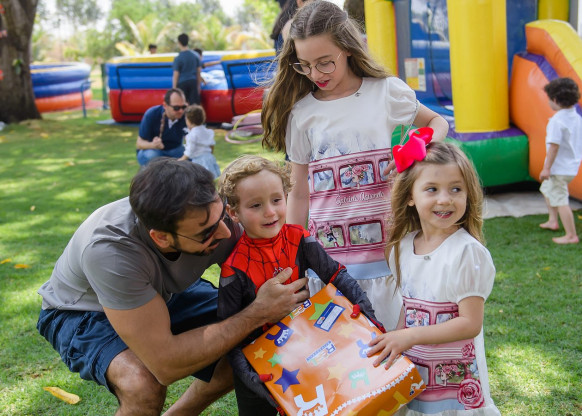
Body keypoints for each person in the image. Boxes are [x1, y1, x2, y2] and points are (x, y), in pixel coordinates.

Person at [36, 158, 309, 416]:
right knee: (142, 385)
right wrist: (256, 313)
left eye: (222, 217)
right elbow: (165, 365)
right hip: (81, 310)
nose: (226, 233)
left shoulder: (208, 215)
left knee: (254, 342)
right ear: (161, 238)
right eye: (207, 232)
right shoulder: (111, 252)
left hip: (163, 292)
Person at [261, 0, 449, 331]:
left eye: (325, 62)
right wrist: (291, 253)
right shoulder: (301, 112)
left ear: (347, 48)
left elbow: (438, 122)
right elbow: (299, 191)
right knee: (343, 355)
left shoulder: (385, 92)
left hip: (389, 259)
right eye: (305, 65)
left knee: (394, 348)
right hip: (329, 264)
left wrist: (414, 149)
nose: (315, 74)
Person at [216, 155, 381, 416]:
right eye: (256, 205)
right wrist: (251, 378)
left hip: (303, 349)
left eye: (276, 200)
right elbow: (228, 334)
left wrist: (366, 312)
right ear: (233, 213)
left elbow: (336, 274)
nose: (270, 212)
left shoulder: (300, 238)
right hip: (256, 366)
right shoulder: (233, 268)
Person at [366, 140, 501, 415]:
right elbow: (409, 306)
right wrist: (396, 338)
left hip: (454, 386)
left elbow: (470, 323)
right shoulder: (403, 247)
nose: (445, 199)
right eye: (432, 189)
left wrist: (410, 336)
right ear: (410, 196)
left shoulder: (467, 253)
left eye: (456, 189)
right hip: (417, 375)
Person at [538, 77, 582, 244]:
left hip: (558, 169)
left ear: (555, 100)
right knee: (547, 189)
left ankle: (571, 235)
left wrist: (546, 168)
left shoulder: (558, 121)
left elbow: (554, 147)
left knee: (560, 199)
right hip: (570, 166)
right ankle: (552, 220)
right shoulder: (576, 117)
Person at [136, 88, 189, 167]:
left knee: (193, 155)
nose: (181, 111)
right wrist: (153, 145)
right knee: (152, 155)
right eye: (176, 108)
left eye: (184, 107)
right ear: (165, 105)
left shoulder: (187, 116)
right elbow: (139, 143)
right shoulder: (152, 114)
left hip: (175, 150)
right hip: (154, 150)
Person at [178, 104, 221, 179]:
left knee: (200, 180)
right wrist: (209, 155)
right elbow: (212, 146)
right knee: (210, 179)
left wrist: (181, 160)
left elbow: (189, 151)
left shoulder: (192, 135)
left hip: (199, 161)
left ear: (189, 120)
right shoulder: (208, 131)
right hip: (209, 158)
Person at [173, 33, 202, 105]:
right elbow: (198, 72)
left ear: (179, 43)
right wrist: (198, 86)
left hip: (182, 83)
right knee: (194, 106)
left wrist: (174, 89)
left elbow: (176, 75)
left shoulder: (178, 58)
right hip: (193, 82)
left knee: (182, 105)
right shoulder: (195, 55)